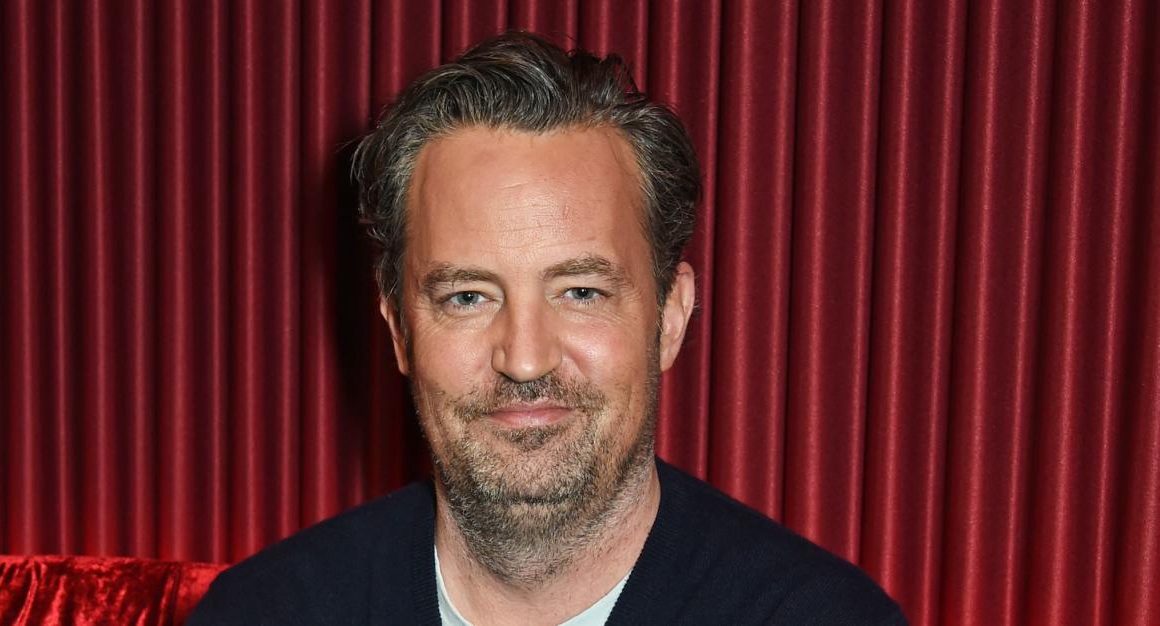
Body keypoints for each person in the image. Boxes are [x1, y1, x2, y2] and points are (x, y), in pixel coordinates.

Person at [190, 32, 907, 625]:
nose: (525, 359)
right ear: (399, 331)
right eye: (468, 296)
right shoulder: (263, 611)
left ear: (671, 317)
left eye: (581, 291)